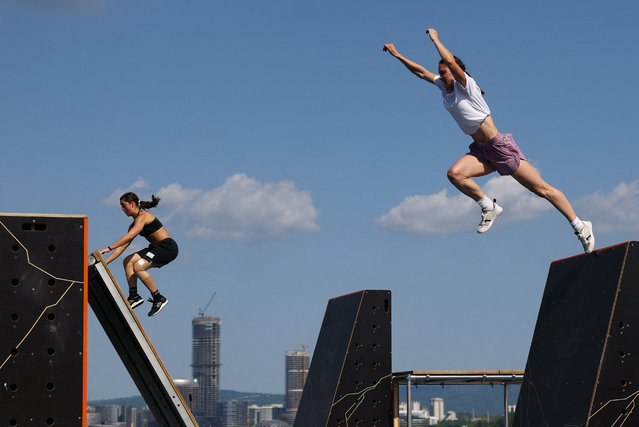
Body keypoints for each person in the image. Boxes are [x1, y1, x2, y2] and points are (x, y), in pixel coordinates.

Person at [383, 28, 595, 253]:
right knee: (454, 174)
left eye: (444, 72)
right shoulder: (444, 88)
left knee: (543, 190)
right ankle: (488, 207)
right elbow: (420, 73)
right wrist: (398, 55)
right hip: (482, 151)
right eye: (440, 73)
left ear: (455, 72)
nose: (441, 76)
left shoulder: (467, 86)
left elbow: (449, 61)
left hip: (500, 148)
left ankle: (581, 226)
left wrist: (435, 39)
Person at [100, 192, 178, 316]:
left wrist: (108, 248)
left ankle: (158, 298)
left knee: (138, 266)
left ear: (132, 204)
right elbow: (121, 248)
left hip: (166, 248)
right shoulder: (134, 224)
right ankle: (134, 296)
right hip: (155, 248)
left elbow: (130, 235)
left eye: (124, 205)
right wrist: (105, 263)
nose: (122, 209)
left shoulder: (143, 216)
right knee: (127, 261)